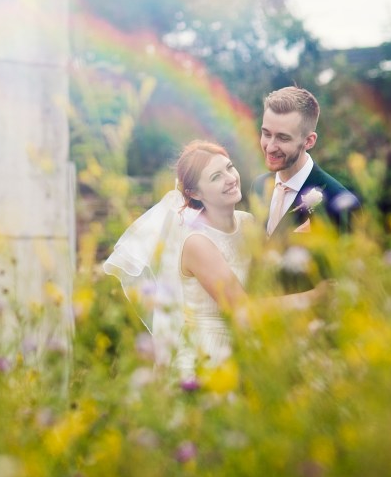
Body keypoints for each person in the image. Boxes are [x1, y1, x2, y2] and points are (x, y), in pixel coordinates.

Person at [104, 140, 317, 379]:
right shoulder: (197, 242)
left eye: (229, 167)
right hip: (206, 360)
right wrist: (317, 297)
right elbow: (243, 311)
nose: (230, 178)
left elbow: (269, 272)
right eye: (216, 177)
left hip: (243, 354)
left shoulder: (247, 222)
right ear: (194, 193)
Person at [251, 86, 360, 243]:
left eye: (283, 138)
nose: (270, 147)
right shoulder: (259, 185)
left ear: (309, 141)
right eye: (266, 134)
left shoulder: (339, 202)